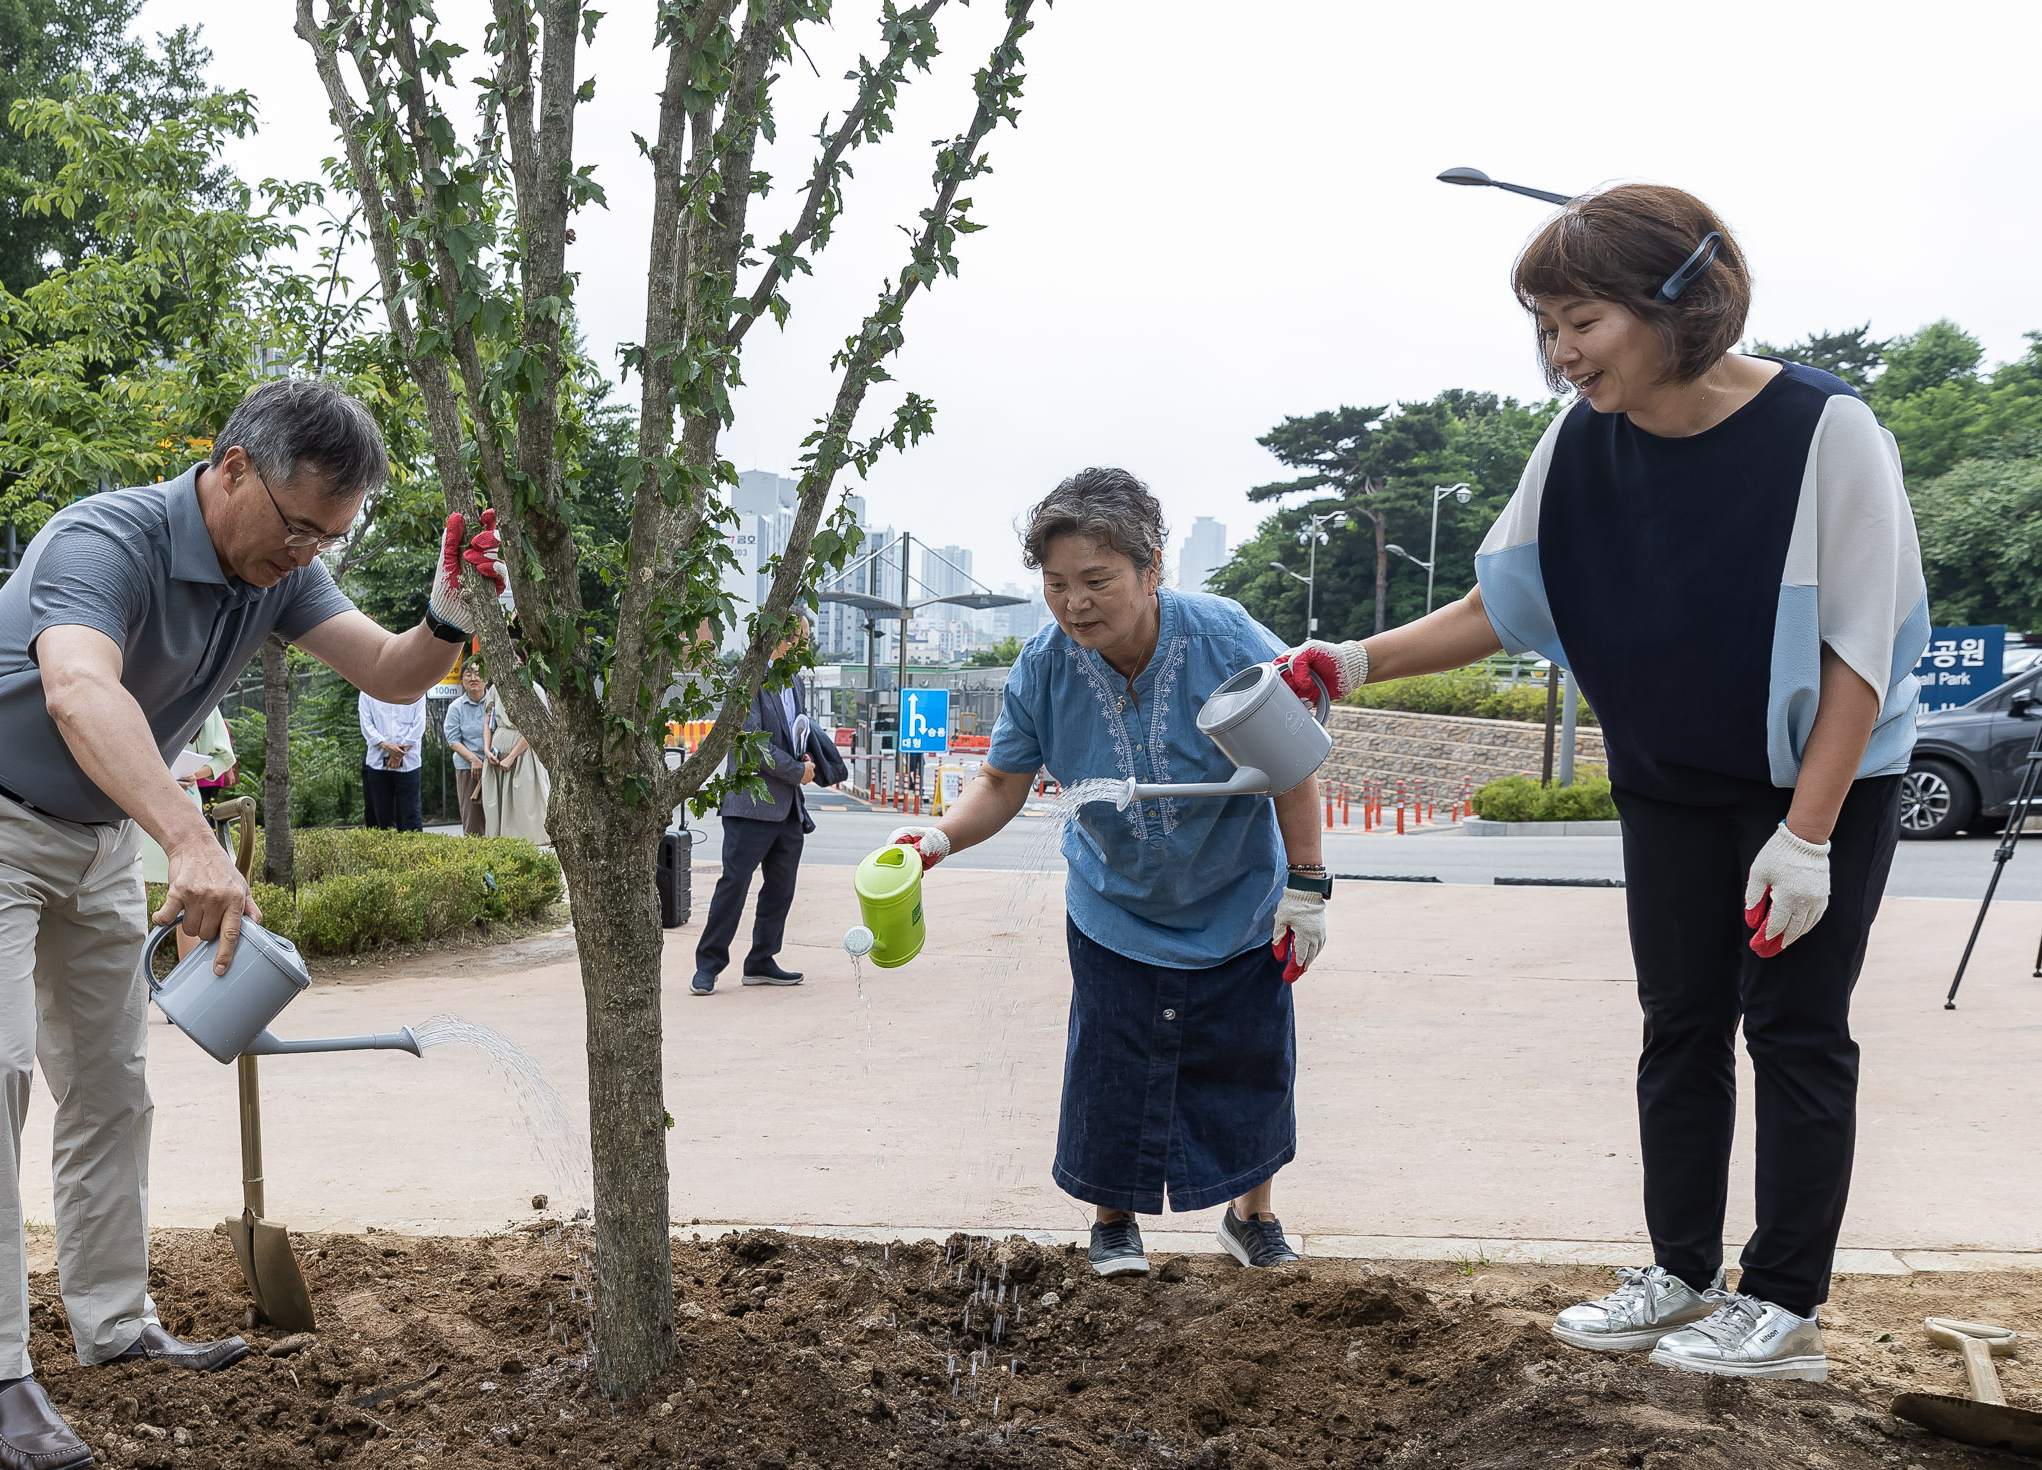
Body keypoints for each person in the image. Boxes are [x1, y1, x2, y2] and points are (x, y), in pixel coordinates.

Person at [1276, 185, 1924, 1383]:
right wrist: (1350, 661)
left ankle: (1781, 1303)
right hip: (1670, 779)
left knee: (1792, 1028)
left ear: (1677, 305)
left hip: (1815, 782)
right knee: (1678, 1021)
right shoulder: (1579, 442)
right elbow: (1501, 602)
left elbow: (1860, 652)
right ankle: (1679, 1274)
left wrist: (1809, 834)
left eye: (1580, 320)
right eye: (1544, 326)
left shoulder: (1826, 431)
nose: (1559, 354)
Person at [0, 378, 504, 1470]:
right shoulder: (105, 539)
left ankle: (115, 1323)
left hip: (90, 829)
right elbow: (80, 691)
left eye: (332, 534)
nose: (308, 550)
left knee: (112, 1082)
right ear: (230, 468)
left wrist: (448, 612)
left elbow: (391, 670)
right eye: (299, 522)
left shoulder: (278, 574)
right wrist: (189, 837)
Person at [886, 469, 1328, 1277]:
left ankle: (1251, 1216)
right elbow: (1002, 781)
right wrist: (938, 840)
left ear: (1152, 569)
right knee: (1112, 1065)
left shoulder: (1225, 636)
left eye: (1096, 581)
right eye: (1056, 585)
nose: (1074, 603)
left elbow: (1293, 763)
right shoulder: (1045, 665)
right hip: (1113, 904)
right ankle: (1113, 1219)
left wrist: (1308, 886)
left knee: (1249, 1057)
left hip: (1235, 896)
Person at [692, 612, 817, 996]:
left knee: (781, 887)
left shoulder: (794, 680)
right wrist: (798, 770)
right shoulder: (747, 680)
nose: (807, 646)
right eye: (803, 638)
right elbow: (751, 744)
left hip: (788, 808)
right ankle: (708, 966)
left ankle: (762, 959)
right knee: (734, 885)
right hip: (750, 804)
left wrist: (811, 761)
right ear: (782, 636)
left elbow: (795, 730)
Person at [140, 710, 240, 964]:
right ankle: (134, 974)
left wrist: (194, 774)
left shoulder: (203, 695)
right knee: (134, 892)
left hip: (180, 808)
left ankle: (190, 973)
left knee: (190, 894)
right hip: (141, 805)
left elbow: (224, 756)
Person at [480, 681, 551, 845]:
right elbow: (487, 721)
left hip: (523, 753)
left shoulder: (534, 689)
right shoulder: (496, 688)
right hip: (497, 752)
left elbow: (536, 728)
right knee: (496, 811)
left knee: (524, 807)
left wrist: (512, 755)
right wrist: (486, 749)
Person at [359, 687, 427, 832]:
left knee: (411, 816)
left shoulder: (416, 689)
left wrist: (400, 752)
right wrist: (387, 747)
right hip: (377, 762)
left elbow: (419, 724)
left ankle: (413, 853)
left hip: (409, 762)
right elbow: (366, 725)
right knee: (381, 817)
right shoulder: (368, 690)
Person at [443, 662, 489, 835]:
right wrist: (474, 759)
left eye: (477, 673)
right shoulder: (456, 707)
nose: (473, 678)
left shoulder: (496, 703)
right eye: (468, 674)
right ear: (462, 680)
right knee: (472, 820)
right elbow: (453, 740)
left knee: (498, 817)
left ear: (486, 677)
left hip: (494, 765)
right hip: (468, 768)